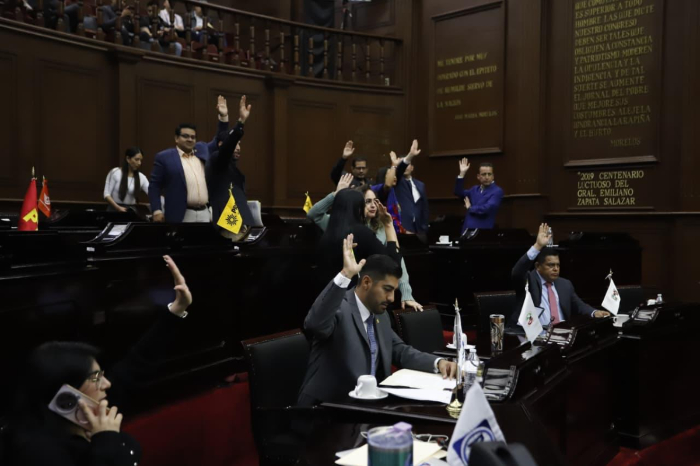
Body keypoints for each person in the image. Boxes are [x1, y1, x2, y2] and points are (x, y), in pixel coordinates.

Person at [3, 255, 192, 466]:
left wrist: (177, 310)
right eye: (96, 378)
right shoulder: (36, 451)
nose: (107, 383)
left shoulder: (91, 408)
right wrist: (106, 439)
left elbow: (137, 362)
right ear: (66, 394)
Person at [297, 236, 457, 406]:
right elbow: (315, 325)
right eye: (387, 289)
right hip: (327, 408)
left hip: (369, 407)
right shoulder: (339, 308)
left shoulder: (380, 313)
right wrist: (345, 274)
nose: (392, 298)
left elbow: (399, 350)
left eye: (394, 291)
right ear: (366, 282)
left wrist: (438, 363)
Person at [306, 176, 422, 311]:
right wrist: (337, 194)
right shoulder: (347, 227)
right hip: (357, 297)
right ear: (358, 206)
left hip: (335, 296)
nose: (373, 205)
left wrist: (406, 293)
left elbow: (397, 262)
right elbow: (393, 261)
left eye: (375, 201)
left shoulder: (378, 227)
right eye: (367, 202)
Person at [511, 223, 611, 327]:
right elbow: (517, 272)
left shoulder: (565, 284)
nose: (556, 269)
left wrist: (594, 312)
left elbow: (579, 305)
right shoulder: (529, 281)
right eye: (550, 265)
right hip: (534, 332)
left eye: (558, 265)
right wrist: (537, 246)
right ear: (538, 266)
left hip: (562, 332)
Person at [148, 96, 229, 223]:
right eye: (185, 136)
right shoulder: (164, 157)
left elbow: (219, 138)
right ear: (176, 138)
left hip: (204, 213)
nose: (190, 139)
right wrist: (156, 210)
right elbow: (154, 186)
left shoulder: (202, 149)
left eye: (193, 137)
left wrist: (223, 117)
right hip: (181, 214)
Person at [316, 188, 402, 286]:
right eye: (365, 203)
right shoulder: (362, 233)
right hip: (351, 293)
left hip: (328, 293)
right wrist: (388, 225)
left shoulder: (327, 235)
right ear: (358, 209)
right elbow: (393, 267)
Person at [206, 95, 253, 238]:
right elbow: (227, 145)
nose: (238, 148)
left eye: (239, 144)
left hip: (239, 223)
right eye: (235, 144)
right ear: (221, 145)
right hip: (228, 223)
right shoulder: (217, 159)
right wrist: (241, 122)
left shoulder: (230, 166)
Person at [455, 158, 504, 234]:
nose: (487, 177)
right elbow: (458, 192)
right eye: (484, 174)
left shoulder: (497, 191)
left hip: (482, 233)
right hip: (466, 232)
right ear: (478, 176)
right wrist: (462, 174)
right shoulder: (474, 189)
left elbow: (486, 209)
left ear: (493, 176)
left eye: (489, 174)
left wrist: (470, 208)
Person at [393, 140, 429, 234]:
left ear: (412, 168)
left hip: (418, 228)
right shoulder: (397, 182)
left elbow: (424, 207)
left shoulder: (420, 185)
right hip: (403, 228)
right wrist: (410, 155)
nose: (405, 167)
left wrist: (424, 226)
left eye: (407, 165)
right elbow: (399, 170)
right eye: (402, 164)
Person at [103, 147, 149, 212]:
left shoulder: (141, 177)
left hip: (131, 210)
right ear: (128, 159)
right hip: (114, 209)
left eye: (140, 160)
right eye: (136, 159)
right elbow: (106, 194)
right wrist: (118, 208)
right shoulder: (115, 172)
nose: (139, 163)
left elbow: (151, 193)